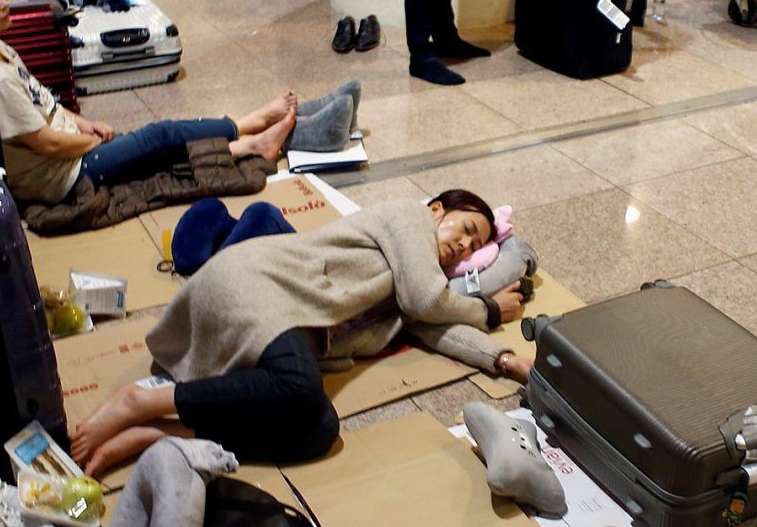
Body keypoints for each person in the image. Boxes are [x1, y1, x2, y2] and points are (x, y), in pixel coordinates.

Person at [67, 191, 533, 474]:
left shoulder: (415, 283)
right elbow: (429, 302)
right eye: (466, 228)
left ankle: (157, 432)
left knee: (318, 431)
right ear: (437, 209)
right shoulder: (409, 218)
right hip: (258, 285)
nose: (465, 246)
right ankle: (139, 403)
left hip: (278, 321)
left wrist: (506, 361)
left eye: (475, 246)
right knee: (298, 385)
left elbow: (435, 326)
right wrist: (488, 309)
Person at [0, 0, 299, 205]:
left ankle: (251, 146)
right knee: (160, 136)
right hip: (65, 175)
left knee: (156, 152)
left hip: (71, 148)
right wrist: (87, 141)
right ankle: (248, 124)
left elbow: (44, 102)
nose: (3, 2)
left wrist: (85, 123)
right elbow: (47, 144)